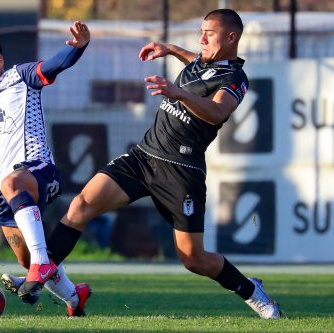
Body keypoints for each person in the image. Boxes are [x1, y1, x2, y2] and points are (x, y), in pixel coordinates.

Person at [19, 9, 281, 319]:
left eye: (208, 33)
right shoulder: (202, 60)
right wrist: (169, 49)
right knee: (81, 205)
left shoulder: (236, 78)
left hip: (182, 171)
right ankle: (38, 276)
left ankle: (252, 291)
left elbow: (216, 112)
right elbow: (194, 62)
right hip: (143, 156)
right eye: (201, 31)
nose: (201, 39)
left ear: (231, 38)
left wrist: (177, 92)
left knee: (193, 259)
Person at [0, 21, 92, 316]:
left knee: (13, 191)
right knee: (25, 257)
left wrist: (79, 46)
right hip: (6, 193)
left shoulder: (19, 77)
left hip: (39, 170)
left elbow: (55, 64)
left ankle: (41, 263)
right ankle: (74, 298)